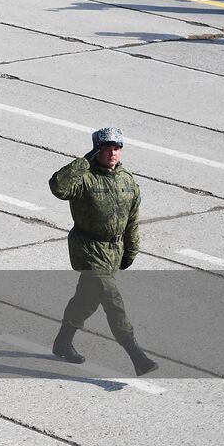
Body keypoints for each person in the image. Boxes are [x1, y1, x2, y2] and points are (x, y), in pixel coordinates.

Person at [49, 128, 156, 376]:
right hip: (88, 249)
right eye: (106, 148)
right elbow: (58, 187)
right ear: (97, 150)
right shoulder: (84, 178)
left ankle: (62, 342)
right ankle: (137, 356)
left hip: (113, 251)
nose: (112, 153)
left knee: (87, 300)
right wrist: (83, 162)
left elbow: (132, 220)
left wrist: (131, 251)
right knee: (112, 301)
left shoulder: (127, 180)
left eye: (116, 148)